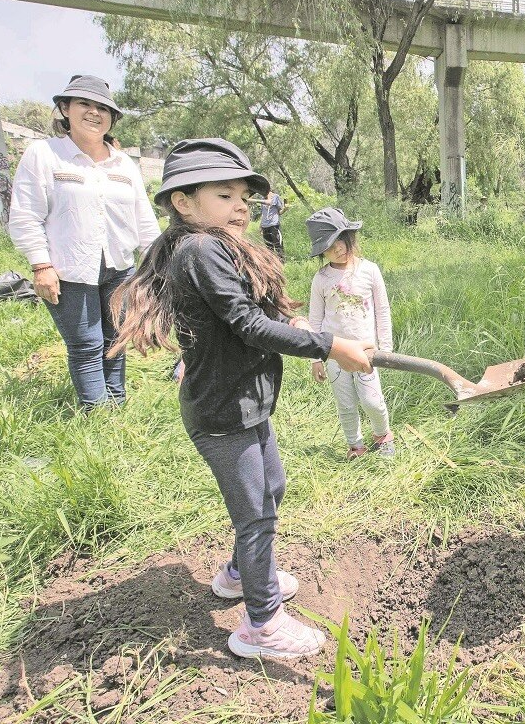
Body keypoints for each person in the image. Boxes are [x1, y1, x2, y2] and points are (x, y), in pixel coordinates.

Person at [109, 139, 375, 659]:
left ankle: (237, 574)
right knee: (255, 514)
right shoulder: (201, 249)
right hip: (221, 412)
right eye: (225, 195)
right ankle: (262, 624)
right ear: (183, 204)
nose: (240, 207)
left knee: (271, 488)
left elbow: (251, 311)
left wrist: (294, 323)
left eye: (244, 199)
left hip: (243, 403)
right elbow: (246, 325)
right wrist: (328, 344)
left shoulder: (216, 248)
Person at [8, 75, 160, 410]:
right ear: (65, 109)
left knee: (116, 339)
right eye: (84, 104)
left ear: (111, 117)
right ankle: (96, 413)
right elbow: (25, 215)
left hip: (121, 269)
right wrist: (41, 265)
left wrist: (156, 269)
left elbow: (143, 219)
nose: (94, 113)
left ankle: (116, 405)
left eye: (103, 108)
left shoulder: (124, 164)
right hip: (69, 269)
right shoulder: (45, 154)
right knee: (86, 344)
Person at [306, 208, 396, 458]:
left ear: (349, 237)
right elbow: (315, 319)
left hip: (367, 352)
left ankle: (383, 435)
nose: (338, 249)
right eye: (329, 245)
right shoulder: (321, 279)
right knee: (345, 403)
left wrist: (385, 349)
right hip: (334, 352)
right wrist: (316, 357)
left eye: (341, 241)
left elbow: (383, 310)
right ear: (321, 250)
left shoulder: (369, 270)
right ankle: (355, 445)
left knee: (371, 400)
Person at [256, 190, 286, 259]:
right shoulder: (262, 199)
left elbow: (280, 212)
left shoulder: (276, 197)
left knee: (278, 245)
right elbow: (264, 214)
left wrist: (285, 209)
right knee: (269, 247)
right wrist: (260, 226)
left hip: (274, 225)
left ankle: (281, 263)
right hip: (265, 226)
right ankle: (272, 263)